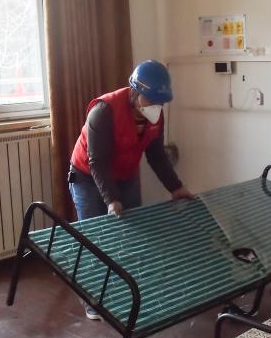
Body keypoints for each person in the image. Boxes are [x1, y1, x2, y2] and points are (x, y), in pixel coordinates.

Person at [68, 60, 192, 319]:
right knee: (96, 238)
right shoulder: (104, 111)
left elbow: (156, 155)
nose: (156, 107)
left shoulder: (154, 114)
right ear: (135, 93)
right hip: (89, 177)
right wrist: (112, 200)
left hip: (125, 175)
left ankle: (126, 296)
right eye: (151, 100)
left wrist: (176, 187)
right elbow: (97, 161)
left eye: (160, 102)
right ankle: (94, 300)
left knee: (133, 236)